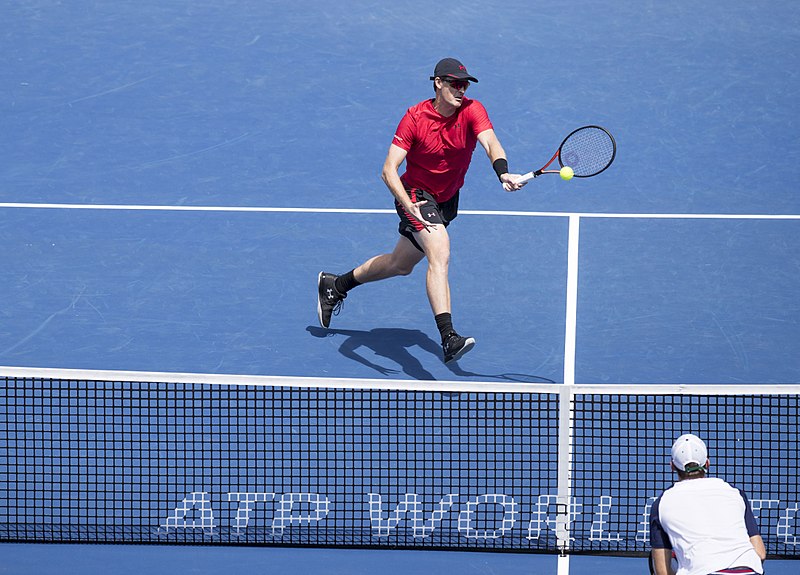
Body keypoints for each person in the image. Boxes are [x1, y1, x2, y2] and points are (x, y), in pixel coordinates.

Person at [317, 57, 525, 364]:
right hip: (415, 194)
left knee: (400, 264)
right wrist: (408, 204)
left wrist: (502, 172)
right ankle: (448, 337)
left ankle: (335, 285)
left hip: (447, 198)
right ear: (438, 83)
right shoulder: (414, 118)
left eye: (464, 84)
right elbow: (389, 170)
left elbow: (490, 142)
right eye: (455, 84)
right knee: (439, 252)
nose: (461, 90)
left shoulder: (472, 110)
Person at [649, 433, 767, 575]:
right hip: (750, 571)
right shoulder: (736, 493)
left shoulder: (661, 503)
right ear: (707, 463)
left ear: (672, 466)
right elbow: (760, 553)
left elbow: (663, 572)